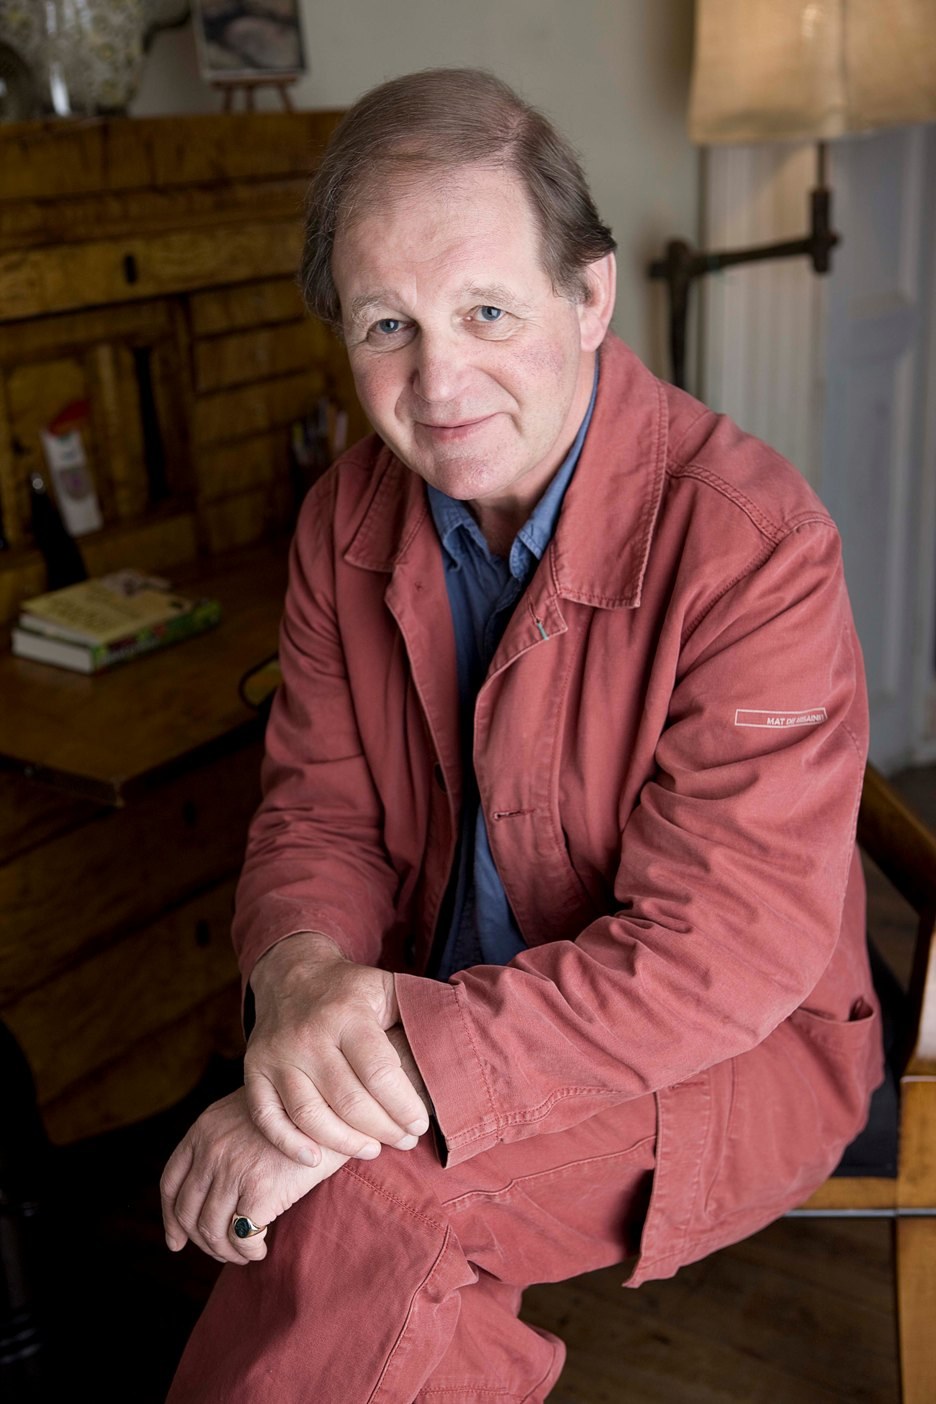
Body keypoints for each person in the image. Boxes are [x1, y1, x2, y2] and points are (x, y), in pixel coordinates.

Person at [162, 68, 881, 1403]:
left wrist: (375, 1080)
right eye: (389, 325)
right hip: (451, 1005)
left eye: (487, 310)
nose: (439, 383)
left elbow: (716, 959)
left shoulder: (753, 547)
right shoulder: (343, 518)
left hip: (722, 1045)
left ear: (588, 295)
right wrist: (306, 979)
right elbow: (319, 813)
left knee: (367, 1208)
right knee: (356, 1238)